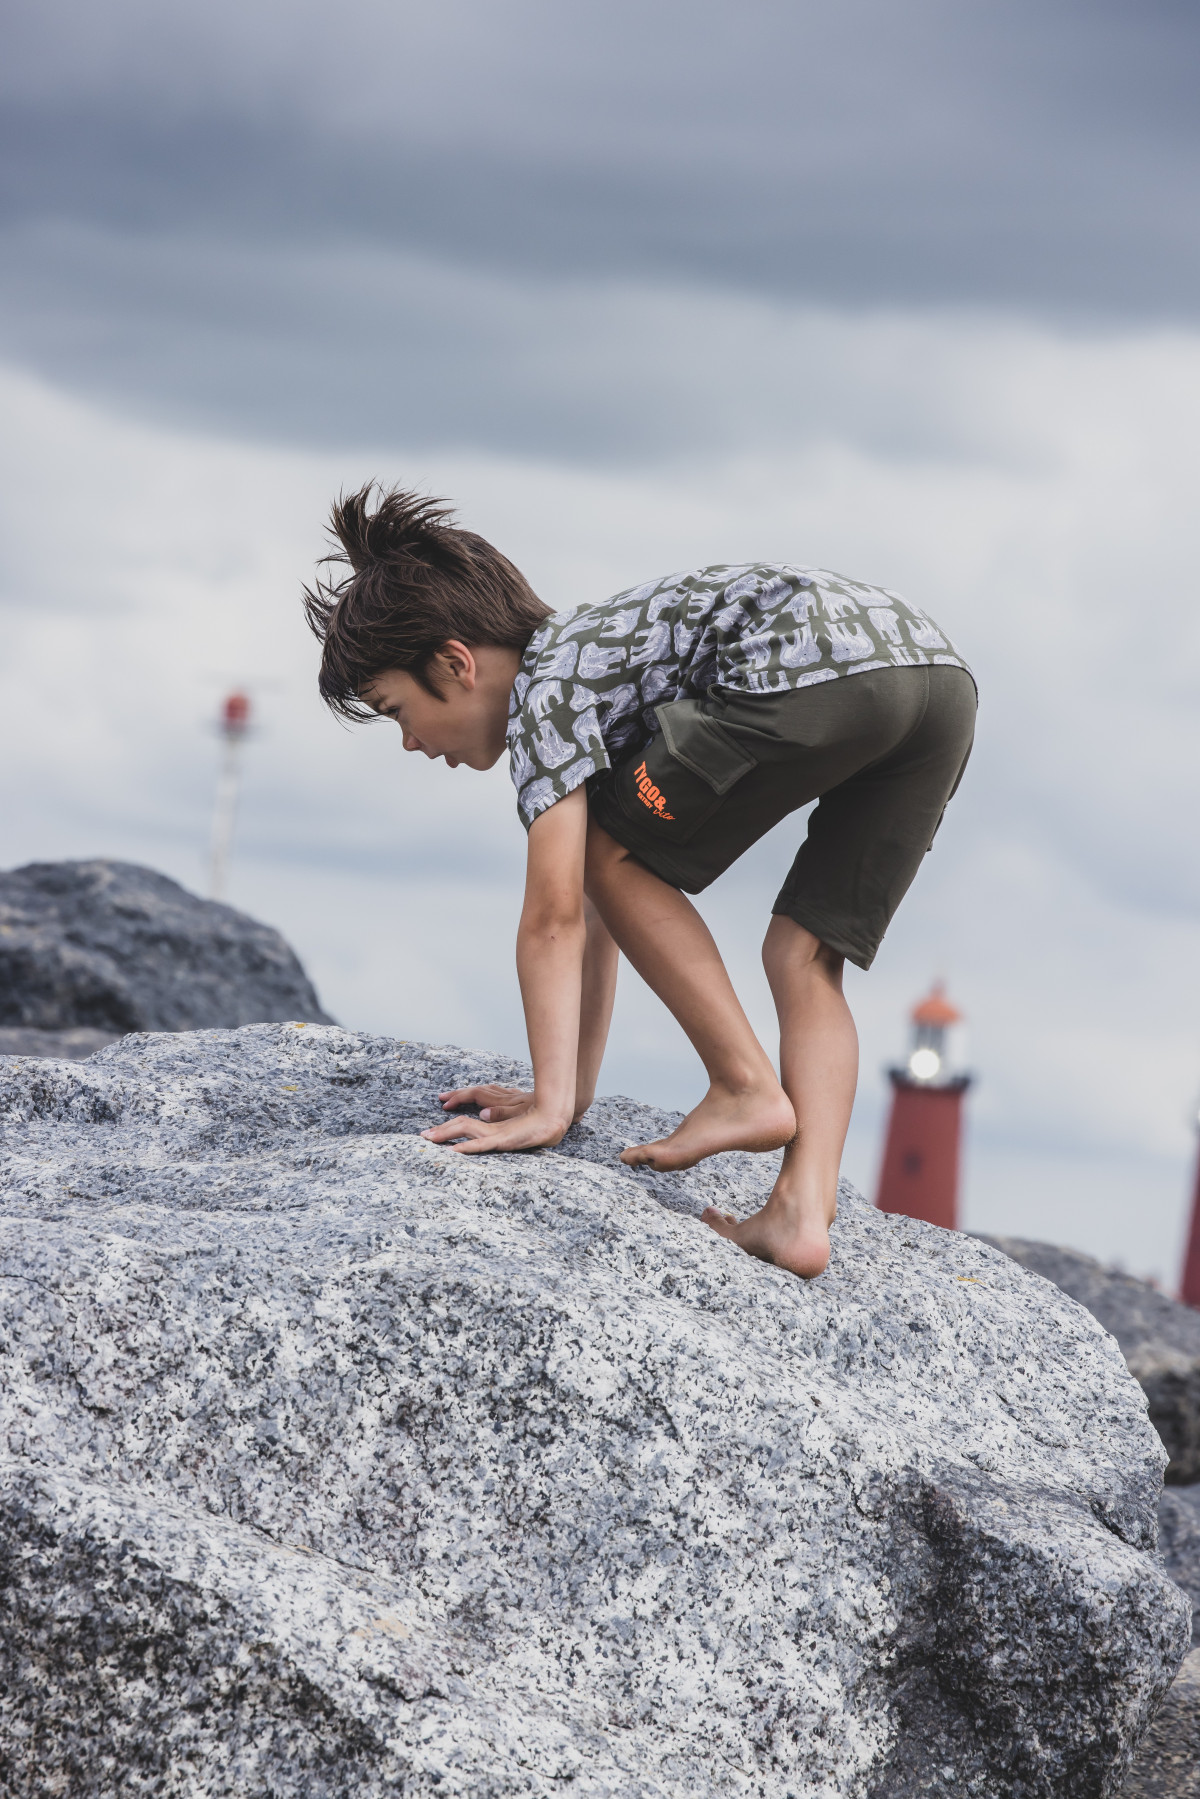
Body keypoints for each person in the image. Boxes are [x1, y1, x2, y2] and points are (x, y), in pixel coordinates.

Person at [304, 484, 976, 1278]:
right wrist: (570, 1092)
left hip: (811, 668)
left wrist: (549, 1111)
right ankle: (799, 1212)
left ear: (456, 663)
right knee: (803, 953)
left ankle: (743, 1082)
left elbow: (554, 915)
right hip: (933, 682)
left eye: (397, 710)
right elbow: (596, 908)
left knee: (605, 849)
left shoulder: (544, 692)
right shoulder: (601, 666)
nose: (411, 743)